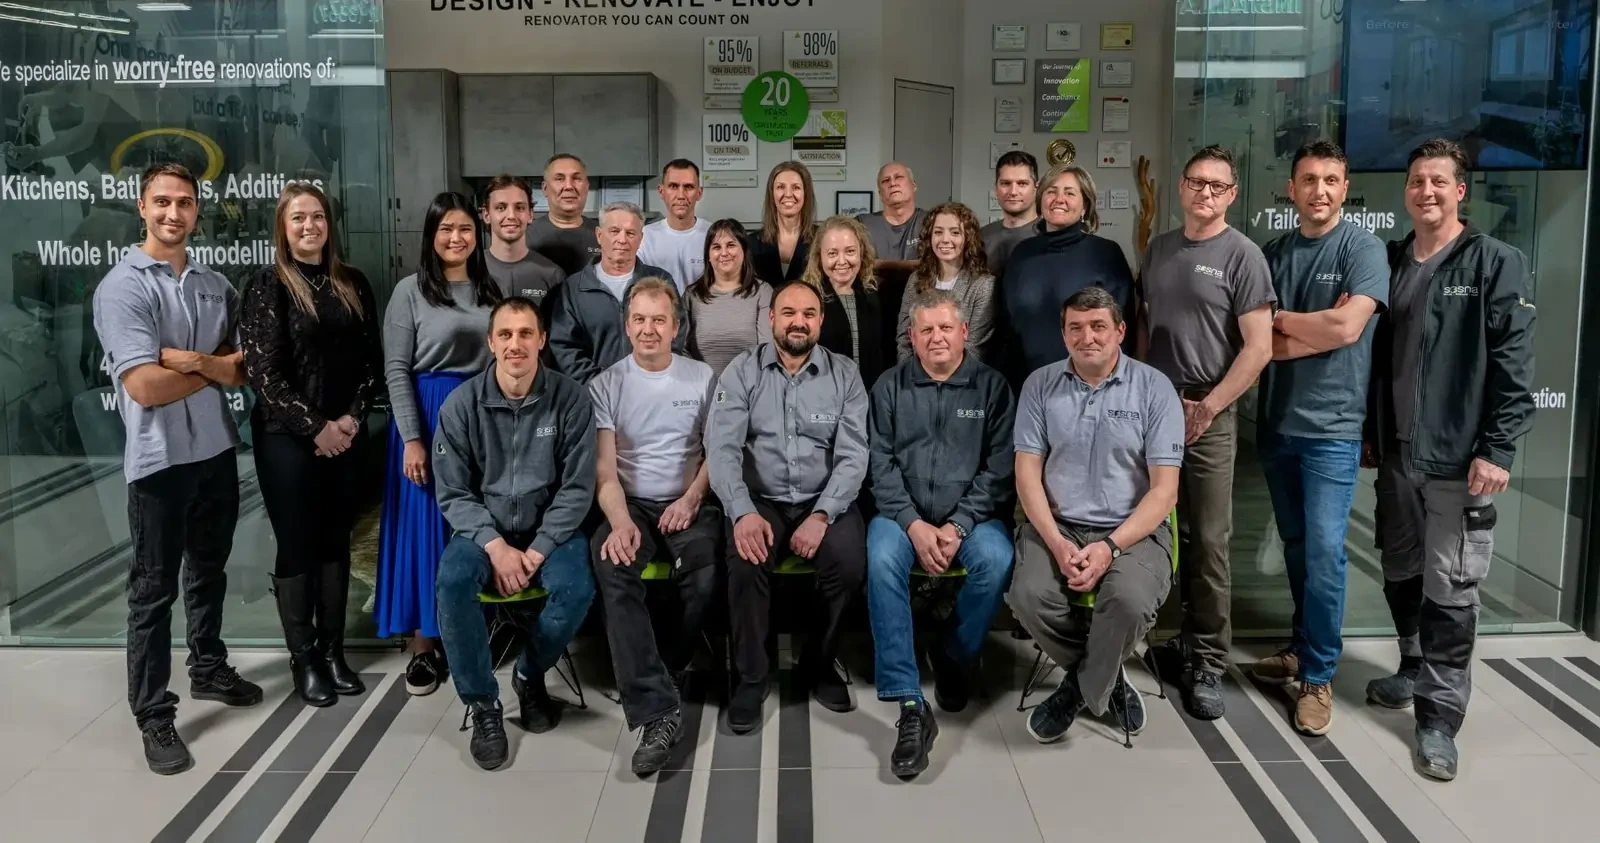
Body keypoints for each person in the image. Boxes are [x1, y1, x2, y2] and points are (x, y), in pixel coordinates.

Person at [1363, 138, 1535, 781]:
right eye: (1415, 181)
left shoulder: (1495, 263)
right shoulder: (1393, 262)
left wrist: (1498, 447)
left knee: (1452, 584)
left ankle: (1438, 717)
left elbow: (1515, 366)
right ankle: (1411, 665)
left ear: (1461, 190)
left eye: (1438, 181)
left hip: (1460, 460)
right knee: (1402, 566)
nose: (1425, 191)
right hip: (1399, 454)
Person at [93, 162, 263, 775]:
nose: (174, 213)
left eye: (185, 203)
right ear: (141, 207)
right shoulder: (123, 287)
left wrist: (187, 360)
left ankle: (208, 668)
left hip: (215, 450)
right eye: (162, 202)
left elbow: (243, 368)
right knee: (153, 588)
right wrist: (208, 366)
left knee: (208, 571)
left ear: (197, 210)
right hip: (159, 462)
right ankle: (154, 714)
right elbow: (143, 387)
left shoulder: (215, 285)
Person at [1247, 141, 1388, 737]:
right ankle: (1303, 649)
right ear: (1292, 188)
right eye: (1309, 180)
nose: (1320, 190)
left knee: (1327, 555)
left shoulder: (1362, 248)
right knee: (1299, 548)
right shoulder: (1274, 253)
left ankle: (1319, 676)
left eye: (1331, 179)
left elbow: (1350, 326)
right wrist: (1315, 329)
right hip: (1277, 425)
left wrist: (1284, 322)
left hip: (1331, 431)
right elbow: (1259, 344)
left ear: (1344, 184)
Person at [1006, 286, 1183, 745]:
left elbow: (1165, 491)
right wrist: (1058, 542)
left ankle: (1076, 689)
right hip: (1057, 524)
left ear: (1120, 331)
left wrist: (1108, 548)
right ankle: (1105, 677)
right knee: (1027, 596)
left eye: (1099, 326)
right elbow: (1027, 477)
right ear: (1063, 334)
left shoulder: (1154, 388)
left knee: (1126, 601)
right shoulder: (1039, 385)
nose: (1088, 337)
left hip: (1134, 530)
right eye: (1076, 328)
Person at [433, 296, 598, 771]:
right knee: (452, 582)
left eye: (526, 334)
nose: (515, 344)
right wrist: (496, 546)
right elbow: (453, 493)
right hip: (483, 532)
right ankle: (483, 704)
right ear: (491, 342)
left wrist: (540, 549)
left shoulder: (570, 399)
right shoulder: (462, 404)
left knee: (576, 588)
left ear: (542, 340)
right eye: (505, 335)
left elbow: (576, 487)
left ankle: (528, 674)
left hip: (552, 529)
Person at [1139, 145, 1275, 722]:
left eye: (1217, 187)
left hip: (1208, 414)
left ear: (1232, 194)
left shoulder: (1243, 256)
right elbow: (1144, 329)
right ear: (1181, 185)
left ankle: (1208, 663)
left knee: (1210, 543)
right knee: (1155, 530)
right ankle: (1173, 639)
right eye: (1197, 182)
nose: (1205, 194)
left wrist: (1210, 407)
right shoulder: (1160, 248)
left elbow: (1260, 347)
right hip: (1154, 408)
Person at [240, 182, 382, 707]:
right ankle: (304, 659)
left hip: (344, 436)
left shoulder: (353, 283)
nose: (309, 226)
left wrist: (348, 420)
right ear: (283, 227)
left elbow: (372, 364)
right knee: (298, 543)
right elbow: (264, 373)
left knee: (336, 541)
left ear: (329, 224)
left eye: (317, 217)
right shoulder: (267, 285)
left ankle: (333, 649)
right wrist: (316, 427)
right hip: (287, 441)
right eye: (298, 218)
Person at [706, 281, 870, 733]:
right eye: (789, 312)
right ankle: (751, 677)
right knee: (745, 562)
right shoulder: (741, 372)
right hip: (760, 501)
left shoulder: (845, 375)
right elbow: (721, 449)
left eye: (809, 313)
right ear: (771, 319)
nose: (799, 321)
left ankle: (818, 663)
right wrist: (741, 512)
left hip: (824, 501)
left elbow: (855, 455)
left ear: (820, 321)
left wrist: (822, 515)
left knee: (850, 563)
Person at [867, 290, 1016, 778]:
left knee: (995, 560)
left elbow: (999, 468)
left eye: (945, 328)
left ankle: (954, 655)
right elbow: (880, 463)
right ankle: (909, 702)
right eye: (925, 330)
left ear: (964, 334)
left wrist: (957, 525)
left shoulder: (992, 388)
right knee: (880, 558)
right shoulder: (889, 387)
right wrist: (912, 523)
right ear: (911, 337)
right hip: (901, 516)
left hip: (970, 519)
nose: (936, 338)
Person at [589, 279, 720, 777]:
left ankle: (664, 667)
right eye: (639, 320)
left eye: (658, 320)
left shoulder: (702, 378)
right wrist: (620, 522)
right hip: (630, 502)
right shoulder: (606, 384)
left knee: (705, 572)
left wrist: (692, 498)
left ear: (676, 327)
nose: (649, 329)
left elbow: (716, 453)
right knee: (611, 561)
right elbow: (604, 469)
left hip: (689, 498)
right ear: (627, 327)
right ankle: (658, 711)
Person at [377, 191, 504, 697]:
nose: (457, 238)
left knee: (470, 526)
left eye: (466, 230)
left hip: (478, 415)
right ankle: (424, 649)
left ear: (478, 235)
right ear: (431, 235)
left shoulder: (489, 288)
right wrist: (412, 438)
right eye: (446, 229)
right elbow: (395, 369)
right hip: (426, 417)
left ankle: (466, 637)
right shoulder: (410, 291)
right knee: (424, 529)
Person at [997, 165, 1134, 388]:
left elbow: (1124, 330)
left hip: (1091, 386)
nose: (1059, 199)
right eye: (1051, 191)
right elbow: (1005, 327)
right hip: (1026, 385)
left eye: (1070, 193)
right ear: (1041, 200)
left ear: (1084, 206)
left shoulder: (1106, 253)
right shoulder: (1022, 253)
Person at [547, 202, 684, 383]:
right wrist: (604, 383)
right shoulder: (573, 289)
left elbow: (677, 334)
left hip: (652, 390)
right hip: (593, 396)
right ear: (599, 235)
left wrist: (651, 376)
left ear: (640, 238)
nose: (622, 239)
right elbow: (564, 347)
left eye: (630, 233)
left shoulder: (660, 281)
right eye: (614, 231)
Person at [894, 202, 998, 364]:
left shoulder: (983, 285)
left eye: (955, 232)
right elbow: (904, 339)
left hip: (964, 382)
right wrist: (909, 376)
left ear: (968, 238)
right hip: (914, 378)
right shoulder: (916, 279)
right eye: (938, 232)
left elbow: (974, 347)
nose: (945, 239)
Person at [801, 215, 892, 389]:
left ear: (861, 252)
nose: (842, 261)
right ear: (819, 256)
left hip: (869, 396)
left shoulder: (876, 295)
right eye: (832, 253)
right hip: (821, 398)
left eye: (850, 251)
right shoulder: (806, 299)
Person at [687, 219, 774, 378]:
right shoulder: (691, 295)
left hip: (748, 388)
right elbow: (681, 350)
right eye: (716, 247)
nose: (724, 253)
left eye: (731, 245)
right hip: (700, 389)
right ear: (708, 255)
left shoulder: (763, 292)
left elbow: (766, 351)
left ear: (744, 251)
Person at [480, 174, 566, 304]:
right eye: (501, 208)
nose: (511, 216)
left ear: (530, 215)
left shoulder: (553, 275)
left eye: (519, 208)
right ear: (486, 215)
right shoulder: (470, 269)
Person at [857, 161, 926, 318]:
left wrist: (880, 264)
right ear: (881, 193)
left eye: (899, 177)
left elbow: (934, 266)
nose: (893, 183)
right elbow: (853, 266)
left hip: (920, 312)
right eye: (886, 180)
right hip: (872, 311)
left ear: (913, 185)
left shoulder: (931, 221)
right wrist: (912, 266)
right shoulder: (861, 223)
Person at [638, 159, 712, 292]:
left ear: (699, 193)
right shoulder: (645, 236)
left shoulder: (713, 235)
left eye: (688, 187)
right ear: (661, 191)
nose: (681, 195)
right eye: (673, 186)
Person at [528, 153, 600, 275]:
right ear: (545, 189)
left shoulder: (604, 237)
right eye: (559, 179)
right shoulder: (526, 237)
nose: (568, 186)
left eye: (576, 178)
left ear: (587, 186)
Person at [750, 161, 817, 285]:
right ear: (772, 194)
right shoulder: (751, 244)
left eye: (796, 187)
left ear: (805, 194)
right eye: (780, 187)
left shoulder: (821, 239)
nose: (788, 194)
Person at [980, 150, 1041, 279]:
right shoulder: (982, 237)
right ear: (996, 188)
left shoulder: (1050, 235)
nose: (1013, 191)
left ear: (1036, 188)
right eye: (1006, 183)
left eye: (1022, 184)